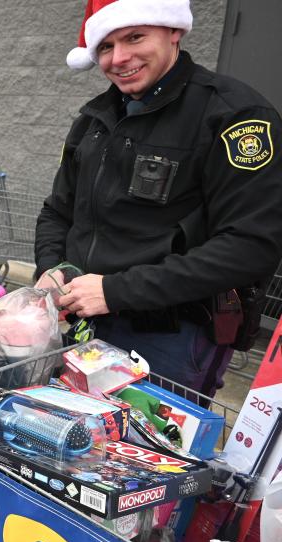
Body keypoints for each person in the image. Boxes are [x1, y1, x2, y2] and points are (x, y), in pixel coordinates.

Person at [34, 0, 282, 396]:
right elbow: (57, 210)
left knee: (148, 452)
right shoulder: (94, 120)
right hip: (85, 321)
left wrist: (115, 292)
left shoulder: (233, 116)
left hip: (172, 339)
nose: (120, 58)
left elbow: (250, 246)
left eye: (135, 37)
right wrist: (52, 268)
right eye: (105, 46)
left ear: (174, 32)